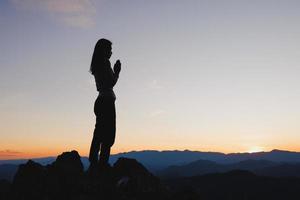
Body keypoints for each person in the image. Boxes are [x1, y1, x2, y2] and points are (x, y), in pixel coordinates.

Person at [88, 38, 121, 170]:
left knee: (99, 132)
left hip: (101, 101)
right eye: (110, 49)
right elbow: (110, 83)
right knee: (108, 134)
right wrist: (117, 71)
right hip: (106, 102)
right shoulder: (105, 63)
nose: (111, 52)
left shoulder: (97, 65)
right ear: (104, 50)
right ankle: (102, 163)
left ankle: (94, 161)